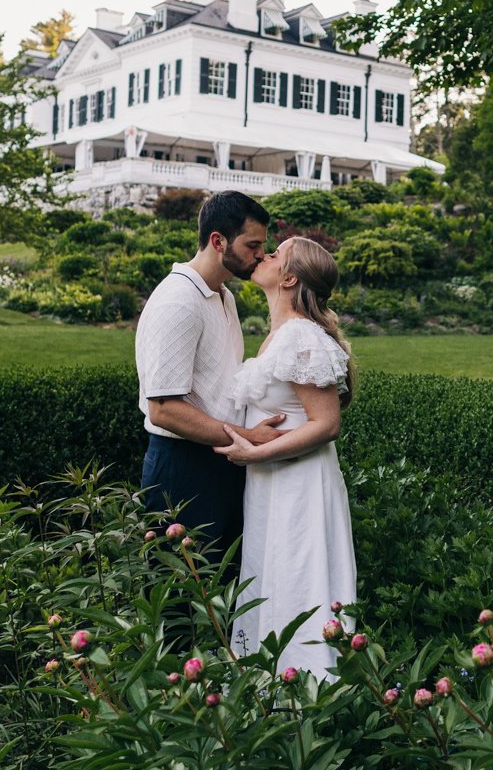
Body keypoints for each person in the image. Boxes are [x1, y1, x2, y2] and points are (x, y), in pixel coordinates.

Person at [215, 236, 358, 678]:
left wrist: (253, 454)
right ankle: (270, 685)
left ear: (290, 277)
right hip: (273, 484)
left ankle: (309, 687)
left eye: (274, 253)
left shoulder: (299, 335)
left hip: (299, 485)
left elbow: (326, 424)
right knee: (272, 572)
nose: (263, 256)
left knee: (298, 575)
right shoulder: (280, 334)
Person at [135, 191, 285, 562]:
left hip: (220, 459)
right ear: (218, 241)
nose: (261, 255)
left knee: (221, 596)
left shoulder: (223, 296)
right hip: (183, 468)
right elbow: (165, 409)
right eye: (252, 245)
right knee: (181, 600)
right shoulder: (177, 301)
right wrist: (250, 439)